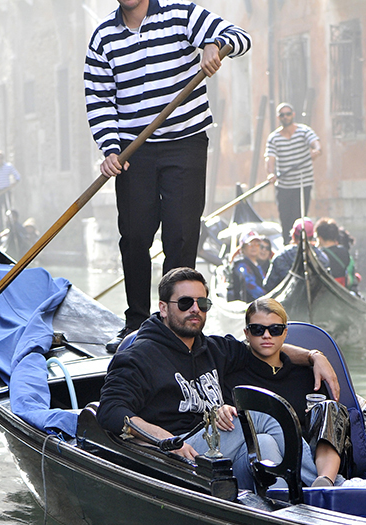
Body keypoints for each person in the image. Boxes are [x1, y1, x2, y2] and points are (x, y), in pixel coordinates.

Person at [85, 0, 251, 353]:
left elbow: (240, 36)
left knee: (180, 234)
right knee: (134, 235)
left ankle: (177, 324)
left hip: (185, 144)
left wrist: (213, 44)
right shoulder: (103, 38)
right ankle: (136, 321)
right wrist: (111, 148)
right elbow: (99, 98)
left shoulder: (182, 15)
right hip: (134, 151)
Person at [97, 267, 339, 486]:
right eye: (184, 303)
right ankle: (325, 486)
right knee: (265, 415)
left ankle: (282, 499)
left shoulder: (213, 348)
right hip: (177, 449)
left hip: (217, 446)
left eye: (201, 303)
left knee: (264, 442)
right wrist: (165, 439)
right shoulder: (139, 356)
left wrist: (314, 356)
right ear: (163, 308)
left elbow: (262, 345)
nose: (195, 309)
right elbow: (111, 410)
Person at [224, 297, 366, 488]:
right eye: (258, 330)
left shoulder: (307, 374)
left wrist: (315, 356)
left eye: (275, 330)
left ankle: (325, 480)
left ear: (285, 333)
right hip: (267, 461)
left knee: (331, 408)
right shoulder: (233, 376)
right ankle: (339, 486)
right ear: (247, 333)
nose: (267, 336)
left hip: (321, 456)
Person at [265, 103, 322, 238]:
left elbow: (315, 142)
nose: (285, 117)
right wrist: (271, 173)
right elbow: (270, 158)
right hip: (284, 185)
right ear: (279, 117)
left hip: (303, 183)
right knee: (285, 219)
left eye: (288, 114)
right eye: (282, 115)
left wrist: (316, 150)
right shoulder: (274, 137)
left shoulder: (304, 131)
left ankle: (301, 244)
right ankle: (287, 244)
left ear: (293, 115)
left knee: (300, 218)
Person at [263, 218, 330, 292]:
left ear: (293, 235)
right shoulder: (322, 258)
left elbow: (268, 285)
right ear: (312, 236)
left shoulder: (281, 256)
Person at [315, 218, 357, 289]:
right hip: (341, 287)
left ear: (320, 238)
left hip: (324, 289)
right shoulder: (344, 251)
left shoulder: (318, 254)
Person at [228, 231, 266, 302]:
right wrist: (268, 298)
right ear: (243, 248)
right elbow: (251, 286)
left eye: (257, 244)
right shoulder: (241, 265)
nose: (254, 247)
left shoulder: (257, 264)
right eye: (250, 244)